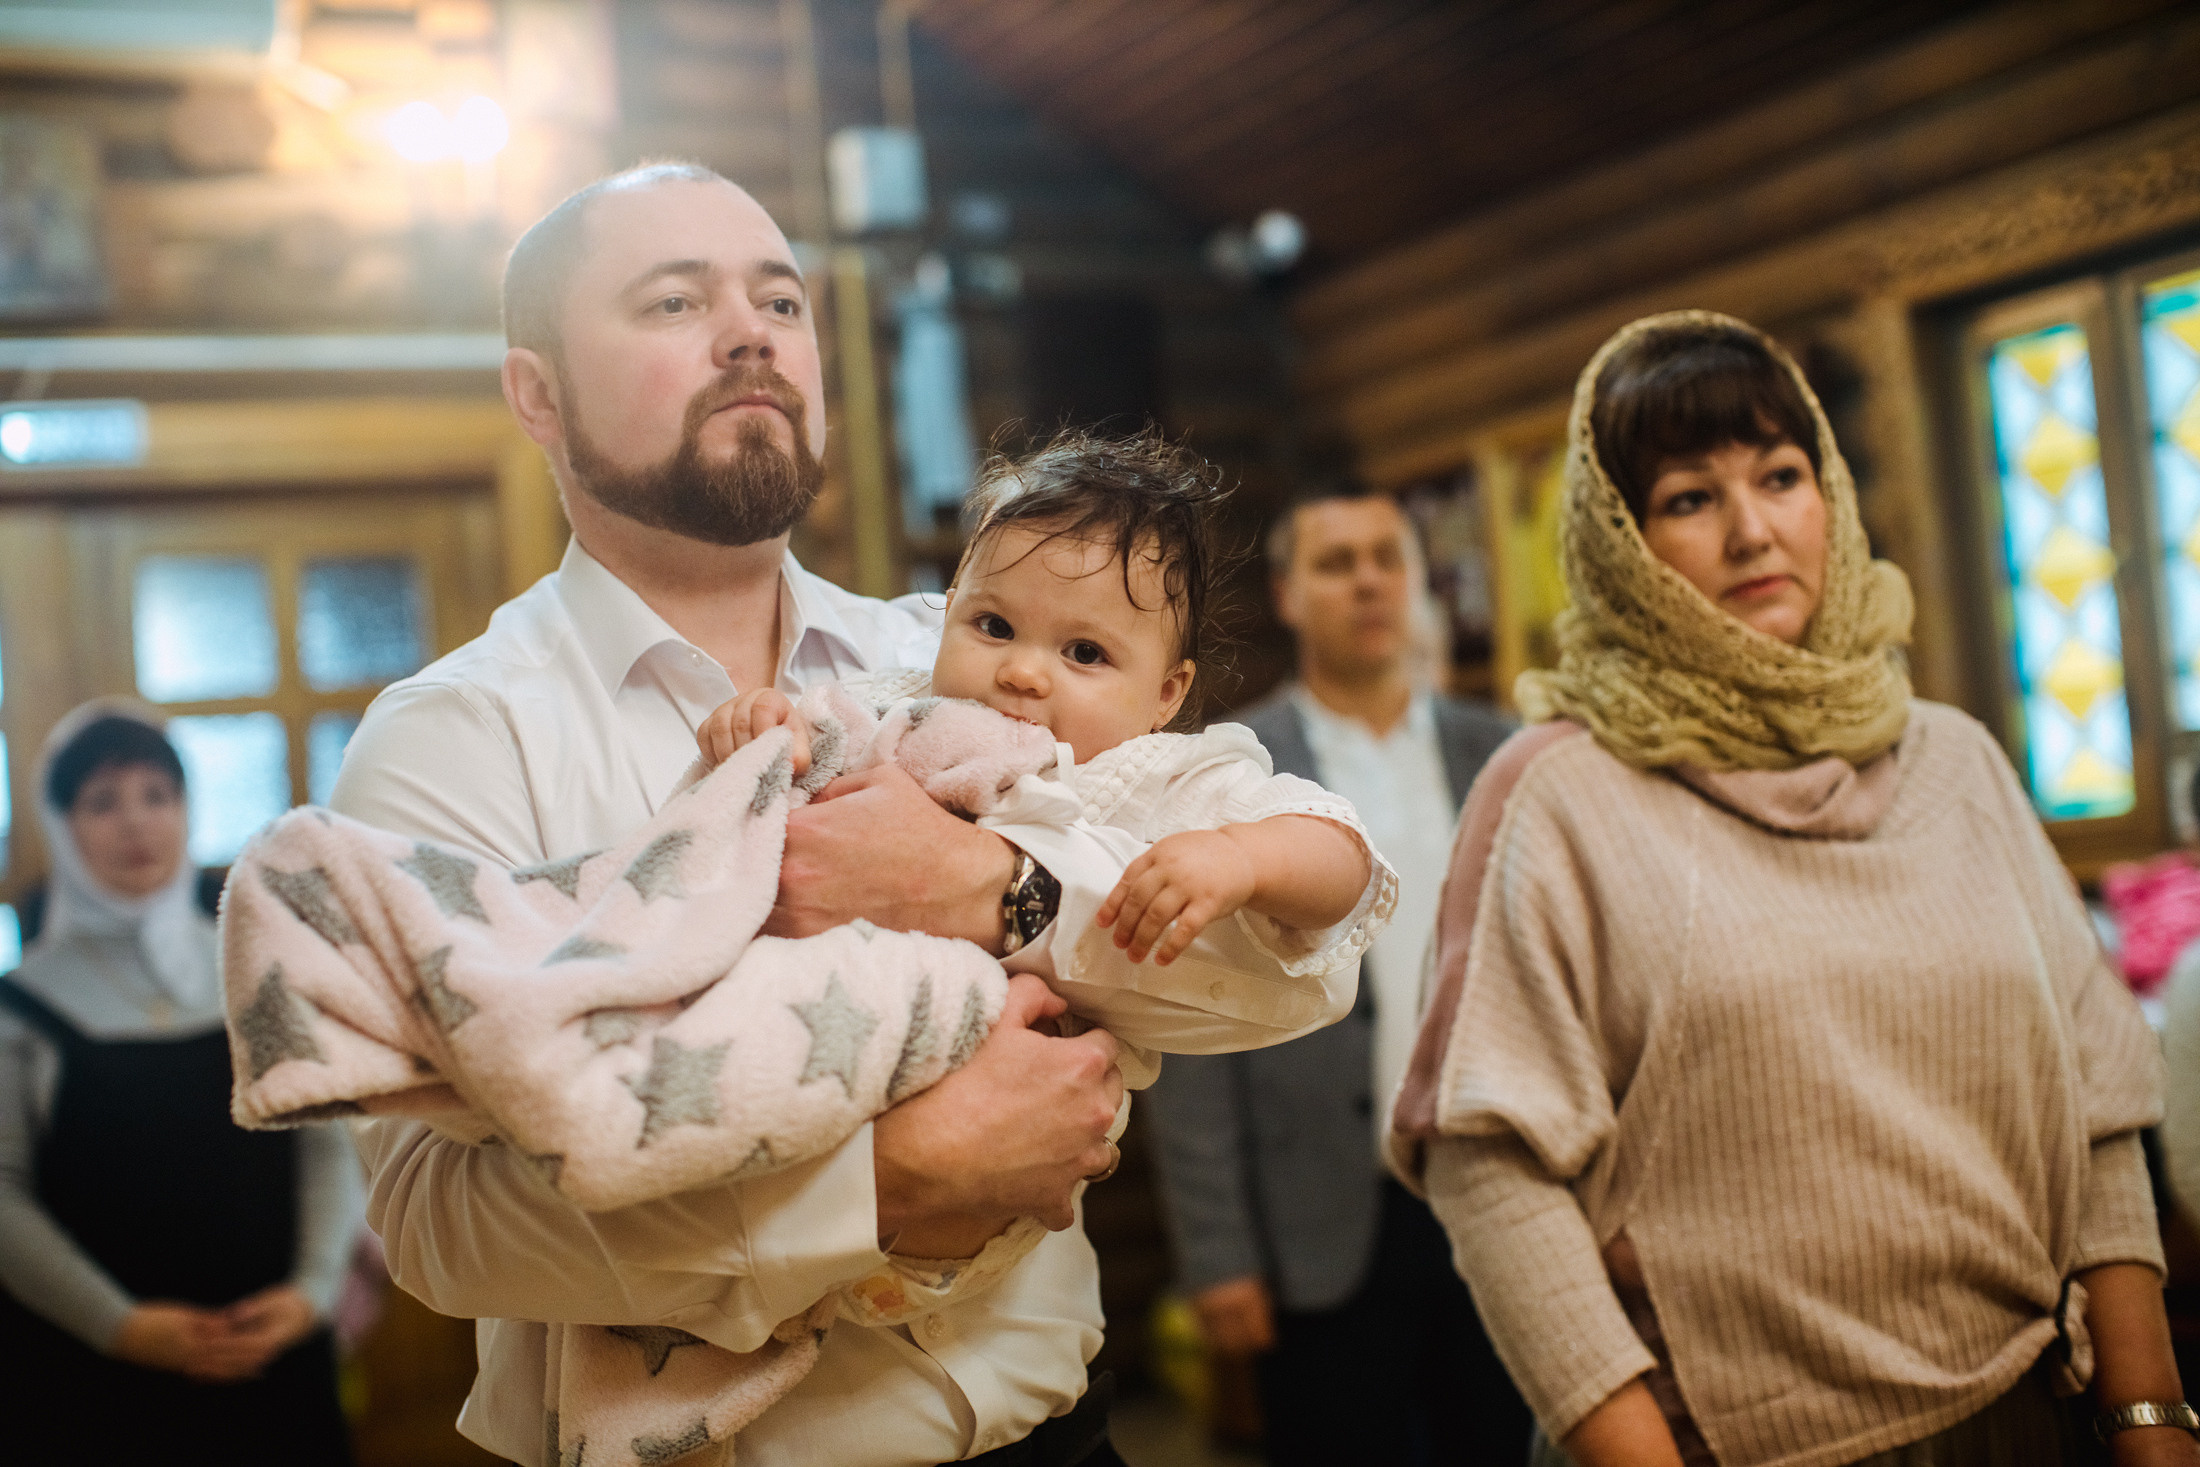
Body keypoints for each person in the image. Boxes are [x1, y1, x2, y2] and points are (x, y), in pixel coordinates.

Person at [328, 162, 1358, 1467]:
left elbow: (1293, 980)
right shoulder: (455, 735)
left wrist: (1000, 891)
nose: (754, 331)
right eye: (672, 302)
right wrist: (878, 1188)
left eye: (781, 300)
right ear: (536, 393)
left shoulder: (962, 655)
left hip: (1067, 1433)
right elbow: (433, 1220)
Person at [1390, 310, 2196, 1467]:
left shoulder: (1953, 759)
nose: (1753, 531)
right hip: (1721, 1445)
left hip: (2027, 1415)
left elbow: (2100, 1112)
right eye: (1688, 498)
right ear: (1620, 541)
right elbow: (1492, 1172)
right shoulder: (1556, 795)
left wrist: (2148, 1416)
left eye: (1780, 475)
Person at [1141, 483, 1527, 1465]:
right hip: (1317, 1219)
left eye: (1384, 559)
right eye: (1334, 562)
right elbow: (1196, 1027)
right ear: (1286, 594)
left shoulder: (1503, 755)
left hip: (1495, 1194)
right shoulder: (1235, 770)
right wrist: (1219, 1254)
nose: (1366, 583)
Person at [0, 701, 361, 1464]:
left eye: (157, 795)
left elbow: (324, 1140)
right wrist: (120, 1325)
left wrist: (312, 1290)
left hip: (278, 1360)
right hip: (94, 1381)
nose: (136, 822)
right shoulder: (21, 1004)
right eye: (102, 801)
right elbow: (3, 1194)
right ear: (61, 826)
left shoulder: (258, 965)